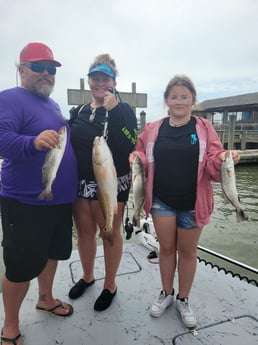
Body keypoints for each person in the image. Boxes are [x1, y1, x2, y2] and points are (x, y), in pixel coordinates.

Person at [129, 75, 240, 328]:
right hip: (161, 201)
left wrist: (224, 158)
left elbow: (212, 163)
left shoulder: (203, 127)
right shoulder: (153, 129)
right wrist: (135, 156)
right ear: (167, 100)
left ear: (193, 100)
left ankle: (183, 298)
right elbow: (143, 157)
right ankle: (166, 293)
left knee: (188, 252)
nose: (179, 102)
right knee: (166, 249)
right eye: (173, 97)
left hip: (193, 202)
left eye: (184, 97)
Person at [0, 42, 78, 345]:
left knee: (52, 254)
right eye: (38, 67)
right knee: (20, 267)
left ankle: (45, 297)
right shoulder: (10, 99)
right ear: (21, 70)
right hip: (26, 202)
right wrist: (31, 142)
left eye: (51, 69)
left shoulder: (52, 105)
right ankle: (10, 327)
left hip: (58, 201)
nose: (46, 73)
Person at [68, 54, 137, 311]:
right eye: (95, 78)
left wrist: (115, 112)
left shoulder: (124, 110)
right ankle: (88, 276)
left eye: (105, 78)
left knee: (110, 232)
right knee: (85, 232)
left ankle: (110, 284)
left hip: (111, 183)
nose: (99, 83)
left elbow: (129, 141)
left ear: (113, 81)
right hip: (82, 184)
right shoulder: (80, 111)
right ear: (89, 81)